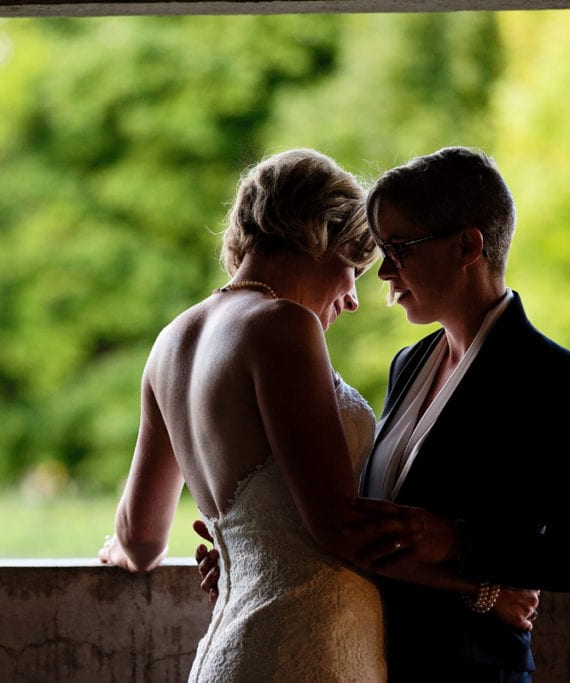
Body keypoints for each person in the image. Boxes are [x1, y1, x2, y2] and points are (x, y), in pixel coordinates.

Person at [197, 146, 570, 682]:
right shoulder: (408, 363)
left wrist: (460, 541)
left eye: (399, 249)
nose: (384, 272)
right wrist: (255, 554)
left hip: (474, 670)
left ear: (467, 245)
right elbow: (370, 520)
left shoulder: (557, 380)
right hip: (376, 659)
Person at [99, 148, 390, 681]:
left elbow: (141, 541)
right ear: (317, 236)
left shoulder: (170, 342)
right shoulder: (283, 326)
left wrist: (118, 546)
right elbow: (338, 529)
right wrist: (484, 590)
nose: (352, 298)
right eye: (352, 267)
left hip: (229, 653)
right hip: (311, 649)